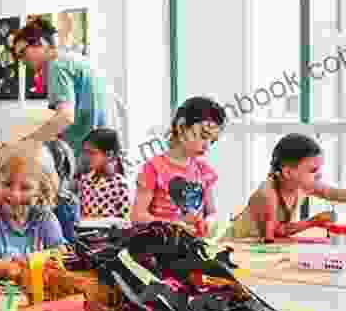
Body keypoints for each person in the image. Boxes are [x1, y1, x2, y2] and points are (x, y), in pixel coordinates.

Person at [12, 18, 117, 163]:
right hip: (107, 154)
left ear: (41, 43)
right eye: (19, 57)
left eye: (23, 53)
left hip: (88, 157)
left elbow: (65, 117)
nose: (22, 61)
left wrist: (28, 142)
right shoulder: (75, 59)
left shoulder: (56, 66)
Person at [0, 147, 66, 285]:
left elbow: (61, 255)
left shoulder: (45, 218)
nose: (15, 195)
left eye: (26, 188)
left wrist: (34, 262)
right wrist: (8, 267)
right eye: (7, 184)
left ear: (41, 191)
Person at [131, 97, 225, 236]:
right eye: (204, 136)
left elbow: (211, 212)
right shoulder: (153, 168)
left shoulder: (204, 171)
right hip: (161, 245)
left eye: (212, 141)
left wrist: (209, 223)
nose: (207, 145)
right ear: (181, 127)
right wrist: (174, 225)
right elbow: (138, 217)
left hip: (194, 244)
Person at [230, 133, 346, 241]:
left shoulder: (303, 185)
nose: (319, 174)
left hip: (259, 246)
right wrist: (313, 221)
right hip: (235, 245)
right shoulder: (268, 195)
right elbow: (276, 233)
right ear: (288, 172)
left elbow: (331, 193)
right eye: (313, 170)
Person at [79, 128, 131, 221]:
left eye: (91, 153)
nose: (86, 157)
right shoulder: (84, 181)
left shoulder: (120, 185)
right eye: (85, 152)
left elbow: (126, 222)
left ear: (109, 155)